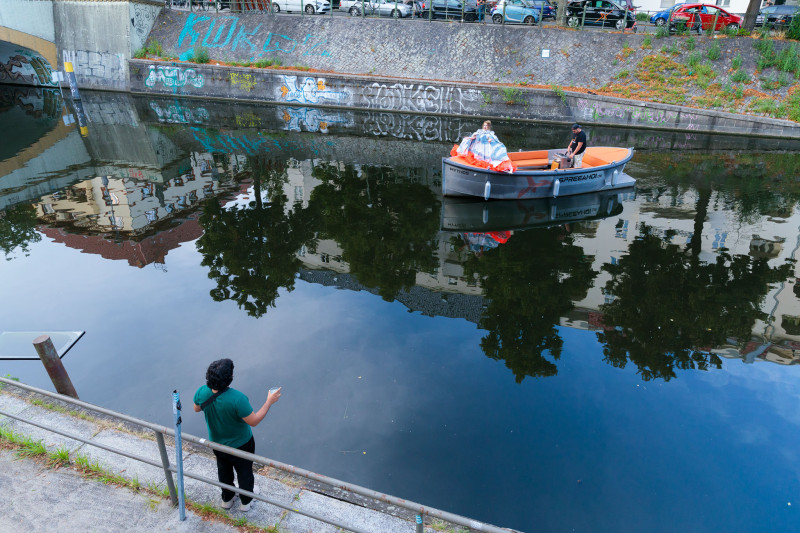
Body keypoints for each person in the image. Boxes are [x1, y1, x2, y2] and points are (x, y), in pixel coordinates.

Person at [193, 358, 281, 512]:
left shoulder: (201, 392)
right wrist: (269, 402)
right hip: (241, 444)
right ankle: (246, 502)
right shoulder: (237, 398)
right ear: (229, 379)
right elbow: (254, 421)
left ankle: (227, 499)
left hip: (217, 443)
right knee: (244, 472)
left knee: (224, 470)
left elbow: (196, 408)